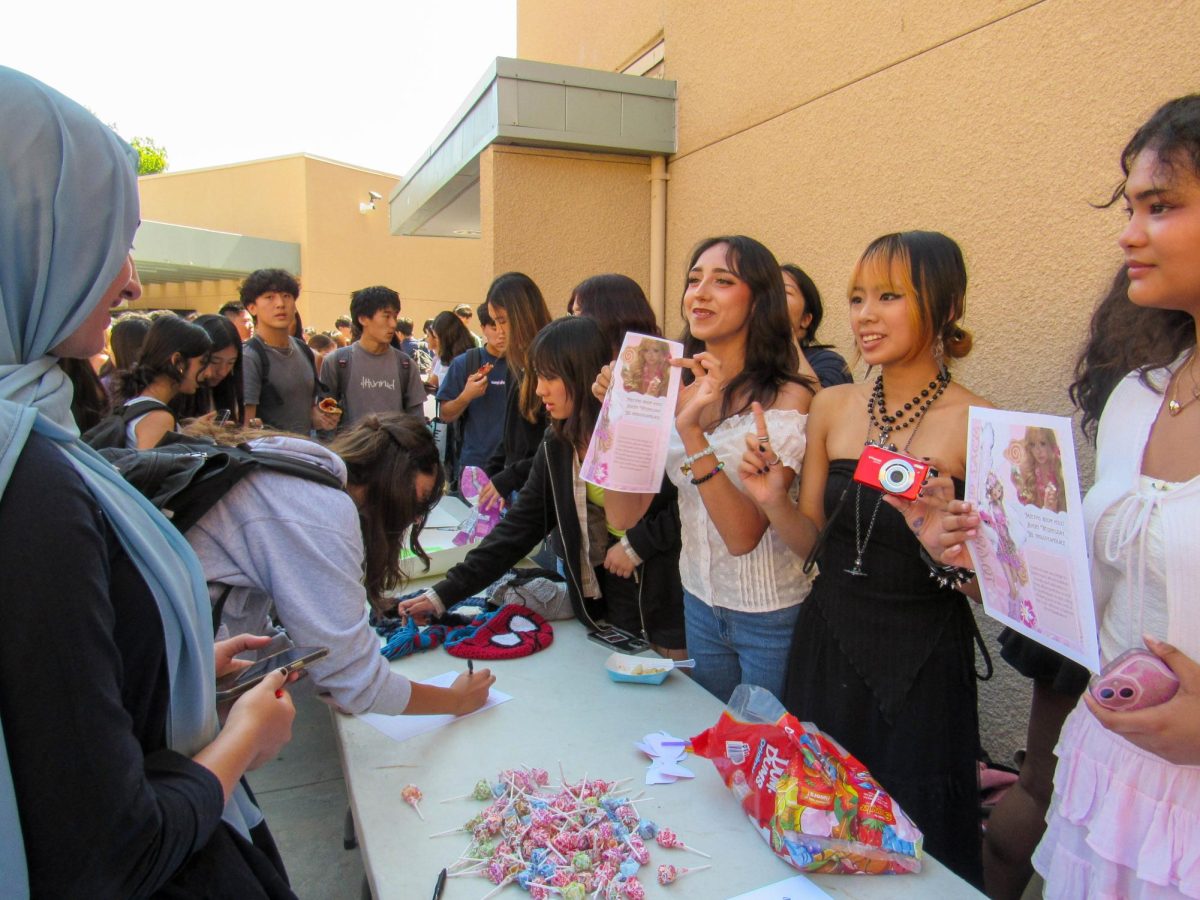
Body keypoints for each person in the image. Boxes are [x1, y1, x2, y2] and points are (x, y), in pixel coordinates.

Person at [0, 66, 298, 898]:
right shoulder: (28, 483)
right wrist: (243, 740)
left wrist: (171, 664)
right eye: (105, 239)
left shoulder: (36, 441)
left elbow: (43, 705)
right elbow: (108, 848)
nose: (130, 281)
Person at [739, 231, 987, 886]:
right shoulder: (832, 404)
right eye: (856, 298)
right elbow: (813, 544)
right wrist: (772, 501)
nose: (866, 315)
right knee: (817, 832)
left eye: (889, 296)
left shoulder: (981, 422)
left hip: (923, 662)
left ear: (946, 304)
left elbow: (1001, 591)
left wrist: (953, 557)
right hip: (828, 645)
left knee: (913, 851)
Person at [1023, 95, 1200, 899]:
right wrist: (977, 545)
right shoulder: (1138, 394)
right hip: (1107, 769)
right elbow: (1103, 596)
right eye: (1130, 207)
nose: (1129, 234)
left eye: (1160, 207)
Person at [602, 236, 814, 702]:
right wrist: (621, 416)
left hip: (770, 615)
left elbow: (743, 537)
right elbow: (622, 516)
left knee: (766, 754)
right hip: (696, 601)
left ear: (759, 300)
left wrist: (692, 431)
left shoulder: (785, 396)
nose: (700, 292)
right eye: (694, 279)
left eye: (722, 281)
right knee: (715, 746)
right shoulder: (663, 377)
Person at [396, 317, 686, 654]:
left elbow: (687, 508)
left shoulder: (644, 430)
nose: (538, 390)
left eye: (549, 377)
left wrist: (637, 544)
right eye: (537, 377)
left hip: (667, 596)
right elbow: (517, 529)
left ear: (580, 373)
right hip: (604, 596)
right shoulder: (558, 444)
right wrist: (442, 595)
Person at [187, 413, 496, 717]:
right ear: (393, 479)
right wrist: (456, 700)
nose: (415, 517)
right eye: (418, 500)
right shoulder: (321, 511)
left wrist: (330, 670)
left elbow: (256, 620)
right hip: (177, 686)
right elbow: (359, 684)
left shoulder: (291, 472)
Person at [478, 272, 553, 512]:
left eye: (502, 320)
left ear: (522, 314)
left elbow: (556, 444)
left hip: (541, 494)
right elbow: (512, 436)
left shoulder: (550, 362)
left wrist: (508, 476)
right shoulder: (516, 364)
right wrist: (493, 471)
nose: (499, 331)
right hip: (518, 488)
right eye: (493, 322)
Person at [241, 268, 339, 434]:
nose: (280, 304)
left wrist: (322, 418)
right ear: (252, 307)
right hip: (269, 456)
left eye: (286, 296)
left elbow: (307, 410)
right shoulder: (250, 356)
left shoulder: (303, 350)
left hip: (304, 453)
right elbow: (247, 428)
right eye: (269, 297)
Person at [320, 285, 425, 429]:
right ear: (363, 318)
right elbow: (325, 419)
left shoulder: (405, 364)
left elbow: (417, 421)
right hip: (350, 450)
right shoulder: (337, 362)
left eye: (395, 316)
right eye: (386, 316)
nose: (393, 324)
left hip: (395, 450)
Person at [436, 301, 510, 488]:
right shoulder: (465, 363)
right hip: (477, 466)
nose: (501, 332)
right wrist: (466, 396)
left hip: (516, 467)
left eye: (505, 325)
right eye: (493, 326)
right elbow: (445, 414)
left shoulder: (525, 363)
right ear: (483, 328)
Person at [113, 314, 213, 448]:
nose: (208, 373)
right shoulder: (158, 417)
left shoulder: (139, 403)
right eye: (202, 363)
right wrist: (207, 455)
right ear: (178, 362)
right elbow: (153, 466)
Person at [781, 263, 852, 386]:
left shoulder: (828, 362)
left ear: (805, 319)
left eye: (784, 291)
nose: (770, 299)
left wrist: (784, 331)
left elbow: (819, 402)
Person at [172, 313, 245, 425]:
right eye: (214, 361)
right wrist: (190, 431)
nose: (222, 371)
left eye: (231, 362)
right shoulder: (173, 392)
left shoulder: (229, 388)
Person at [425, 310, 475, 394]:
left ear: (446, 338)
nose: (436, 342)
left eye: (436, 338)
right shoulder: (443, 359)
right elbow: (432, 384)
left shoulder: (467, 360)